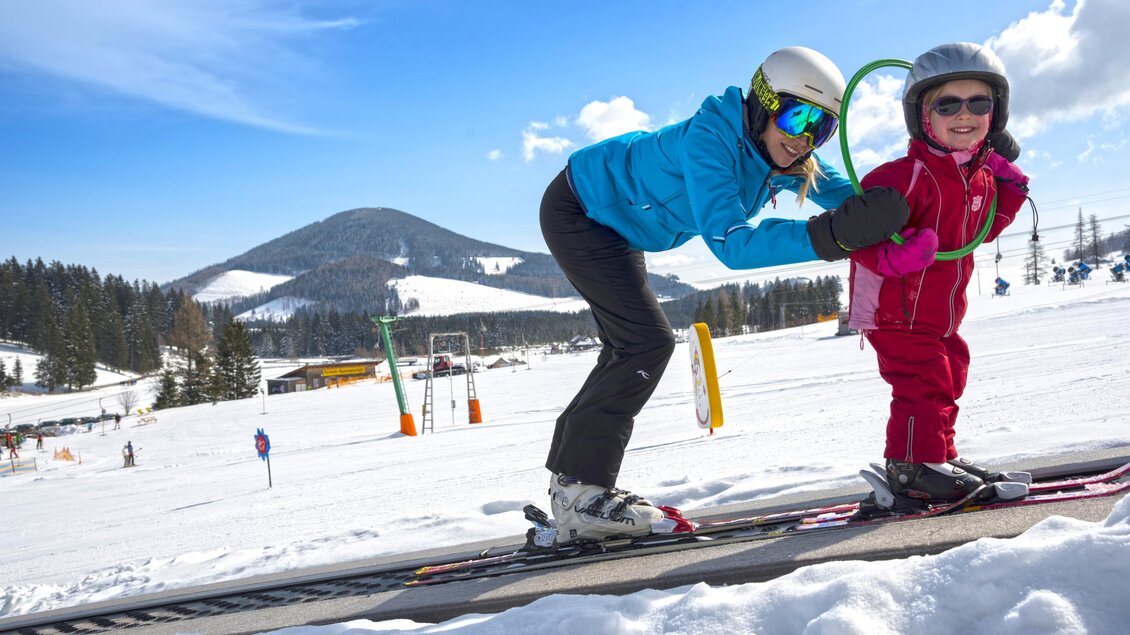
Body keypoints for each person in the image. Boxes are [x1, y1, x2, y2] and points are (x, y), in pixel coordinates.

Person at [541, 46, 911, 543]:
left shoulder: (780, 150)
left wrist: (911, 210)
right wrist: (830, 236)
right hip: (581, 210)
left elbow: (857, 201)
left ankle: (574, 488)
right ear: (761, 103)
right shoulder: (710, 139)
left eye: (821, 128)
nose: (805, 138)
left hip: (619, 227)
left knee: (632, 345)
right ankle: (580, 494)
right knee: (645, 343)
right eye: (798, 115)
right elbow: (731, 245)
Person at [847, 42, 1030, 506]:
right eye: (947, 103)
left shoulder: (979, 176)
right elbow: (855, 235)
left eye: (979, 102)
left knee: (950, 372)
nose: (963, 113)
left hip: (941, 313)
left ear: (996, 113)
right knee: (924, 378)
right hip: (897, 311)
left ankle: (938, 455)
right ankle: (911, 465)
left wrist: (1008, 186)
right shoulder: (902, 176)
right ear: (922, 116)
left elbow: (983, 231)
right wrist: (893, 256)